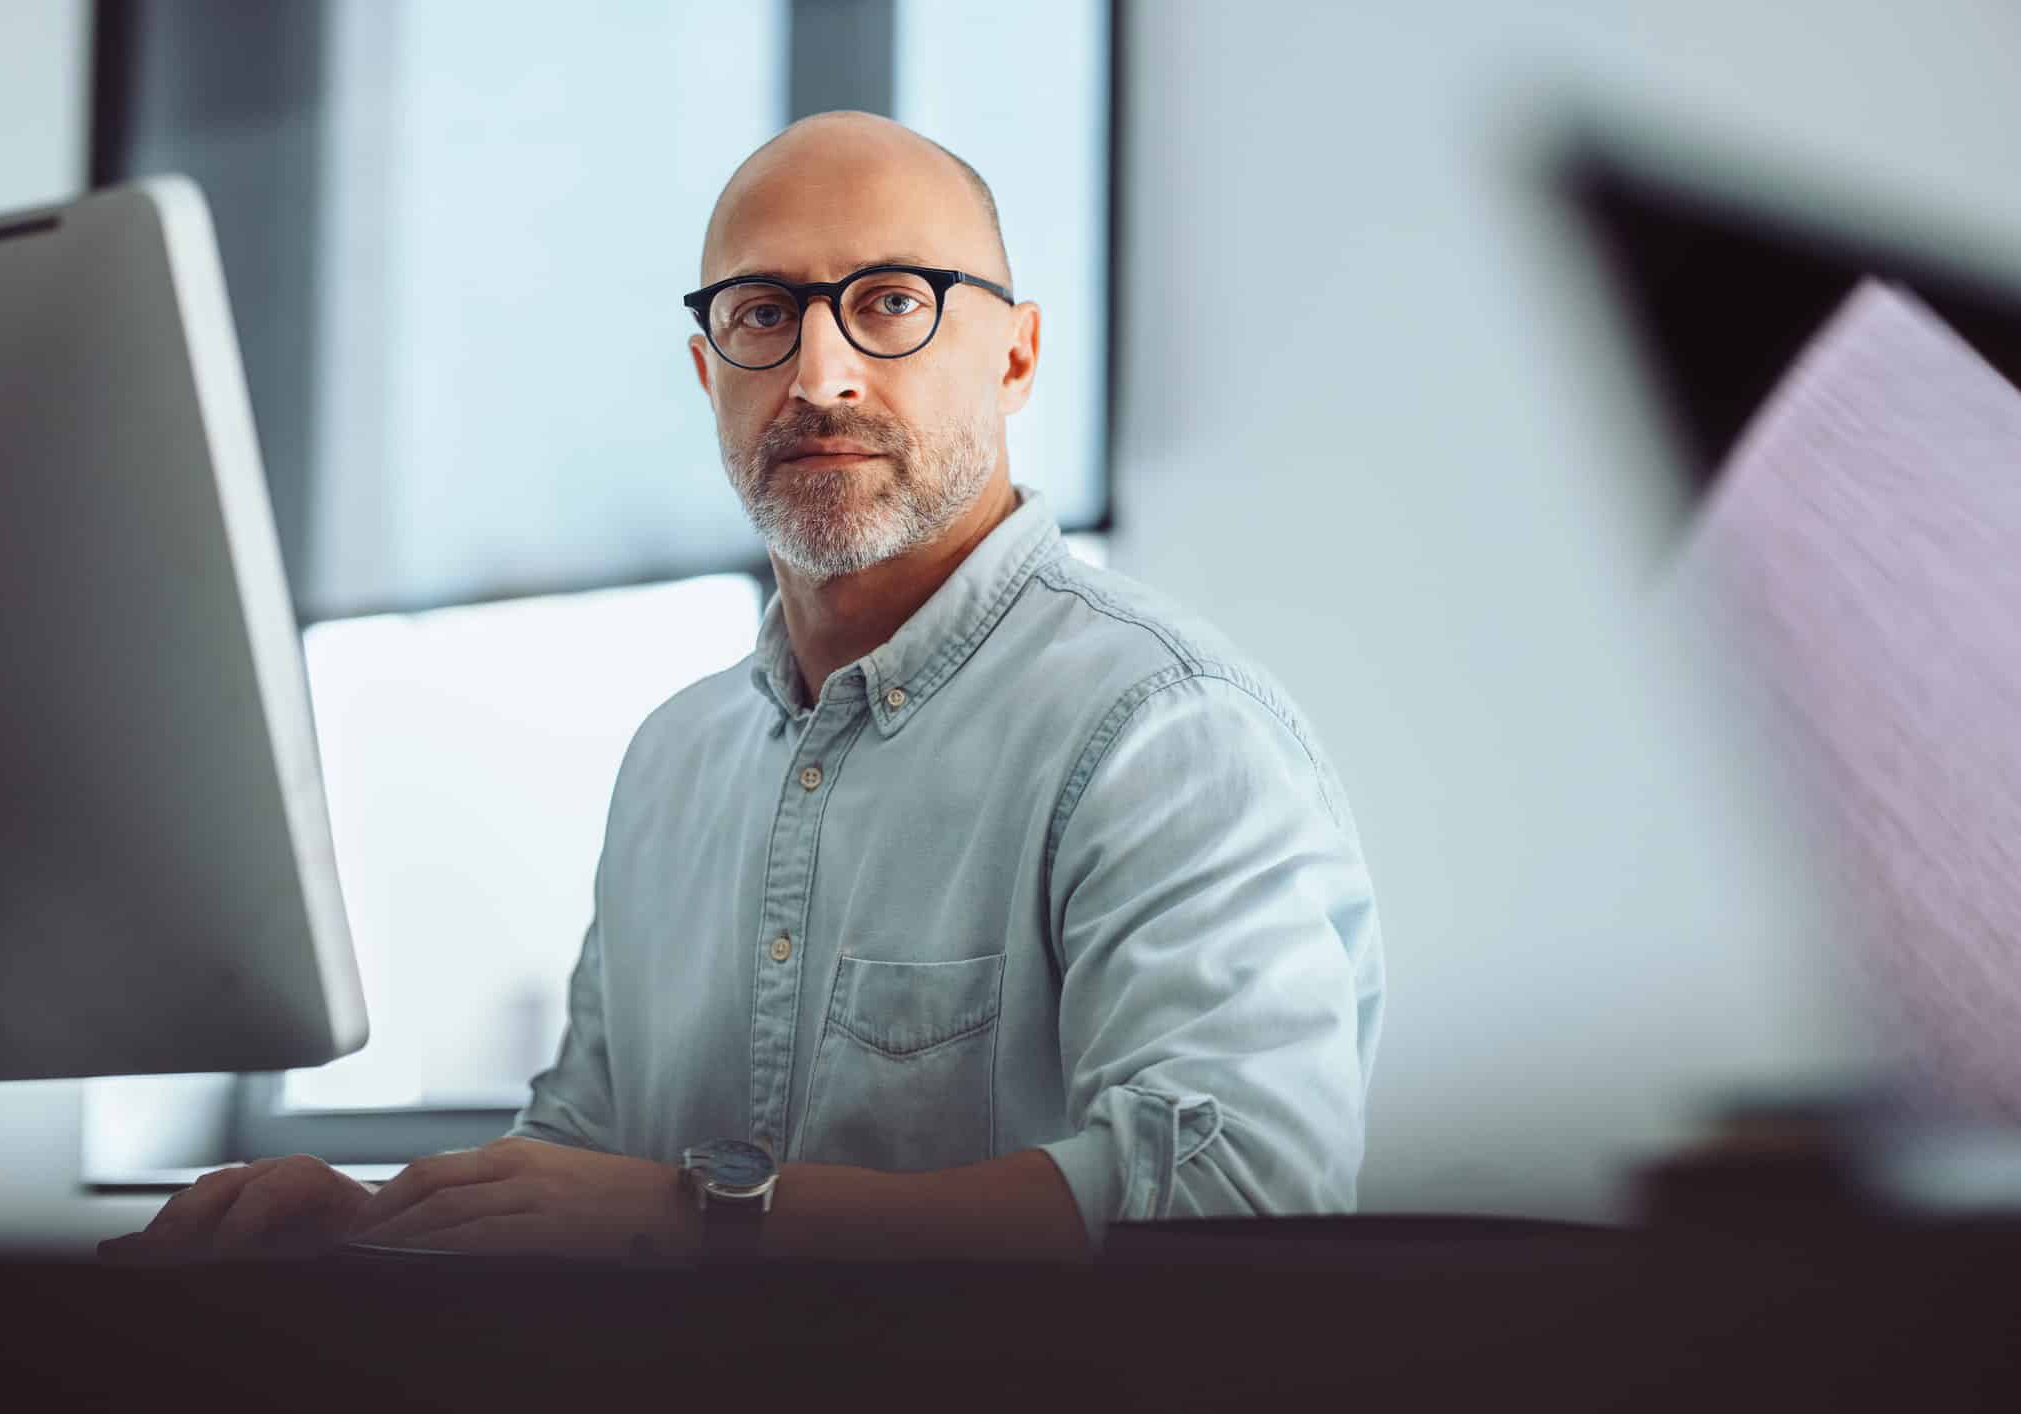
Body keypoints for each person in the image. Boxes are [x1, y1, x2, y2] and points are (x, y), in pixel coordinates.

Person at [101, 110, 1384, 1267]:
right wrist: (371, 1226)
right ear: (708, 371)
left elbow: (1242, 1196)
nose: (819, 374)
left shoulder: (1164, 727)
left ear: (1016, 357)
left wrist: (706, 1219)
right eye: (764, 312)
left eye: (890, 301)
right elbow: (582, 1163)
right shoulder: (675, 757)